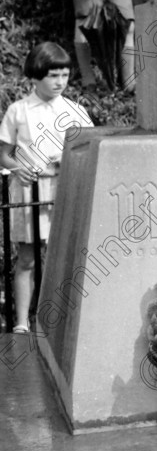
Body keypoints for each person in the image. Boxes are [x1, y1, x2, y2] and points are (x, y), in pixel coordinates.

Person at [0, 43, 94, 333]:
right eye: (53, 75)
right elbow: (4, 152)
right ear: (36, 75)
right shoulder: (19, 110)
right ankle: (20, 322)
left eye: (65, 75)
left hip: (63, 189)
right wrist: (18, 167)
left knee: (63, 254)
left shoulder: (74, 110)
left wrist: (70, 162)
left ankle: (59, 320)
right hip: (30, 191)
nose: (60, 82)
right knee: (28, 257)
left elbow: (90, 148)